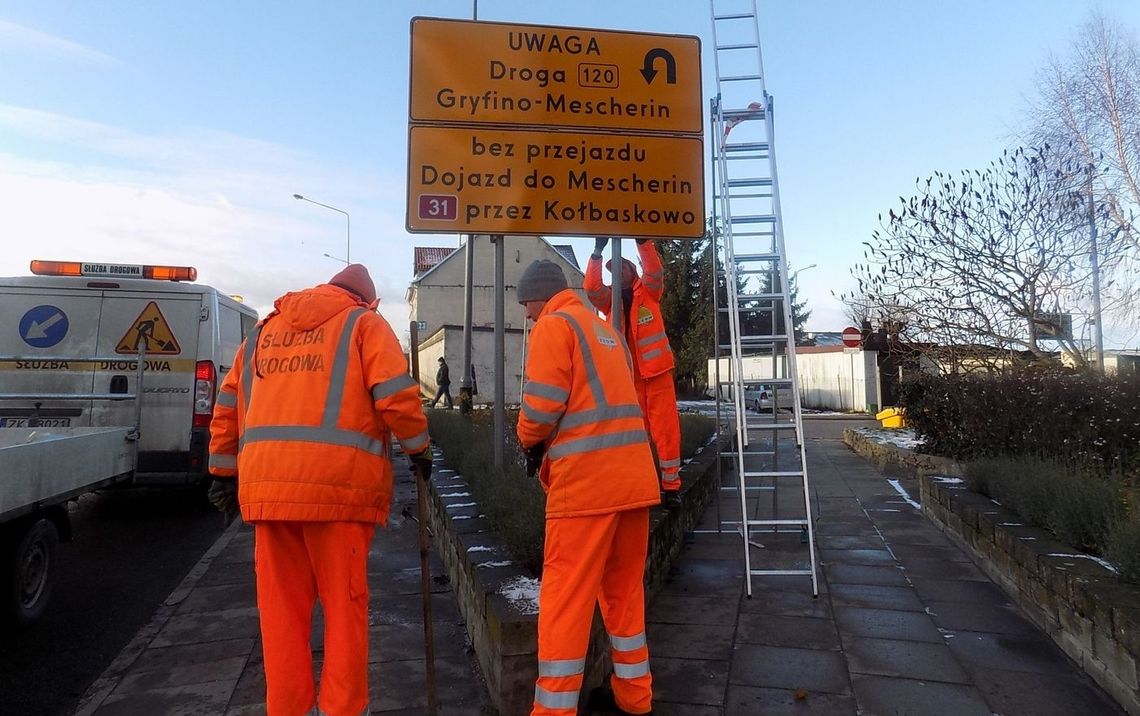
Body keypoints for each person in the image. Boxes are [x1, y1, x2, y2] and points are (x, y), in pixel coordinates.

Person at [206, 263, 433, 716]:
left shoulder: (263, 333)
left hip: (269, 495)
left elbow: (228, 404)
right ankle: (343, 710)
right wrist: (419, 449)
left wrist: (222, 473)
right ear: (366, 300)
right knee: (344, 611)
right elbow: (396, 396)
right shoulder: (363, 325)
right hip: (338, 494)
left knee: (281, 616)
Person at [515, 259, 659, 716]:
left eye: (526, 305)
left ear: (540, 296)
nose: (525, 315)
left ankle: (553, 711)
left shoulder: (555, 327)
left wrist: (525, 439)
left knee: (565, 601)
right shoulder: (605, 331)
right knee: (624, 596)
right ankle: (635, 700)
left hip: (586, 488)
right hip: (633, 482)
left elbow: (541, 406)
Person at [584, 237, 683, 509]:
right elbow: (591, 289)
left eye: (622, 267)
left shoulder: (649, 292)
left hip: (658, 374)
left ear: (631, 269)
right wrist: (596, 253)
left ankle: (671, 487)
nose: (618, 272)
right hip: (629, 378)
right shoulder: (610, 300)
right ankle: (645, 485)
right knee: (637, 435)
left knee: (666, 431)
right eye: (612, 269)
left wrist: (643, 242)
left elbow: (655, 272)